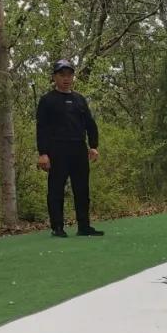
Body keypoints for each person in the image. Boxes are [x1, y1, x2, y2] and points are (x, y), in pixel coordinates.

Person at [36, 59, 103, 237]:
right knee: (56, 189)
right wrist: (43, 153)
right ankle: (57, 227)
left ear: (73, 77)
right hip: (57, 149)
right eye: (62, 75)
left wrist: (93, 146)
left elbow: (90, 124)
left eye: (69, 75)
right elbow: (41, 128)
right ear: (54, 77)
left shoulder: (79, 100)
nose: (66, 78)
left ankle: (84, 226)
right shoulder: (47, 100)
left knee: (82, 189)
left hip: (78, 148)